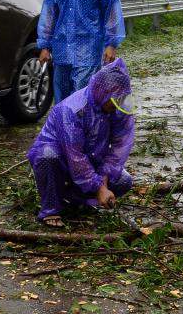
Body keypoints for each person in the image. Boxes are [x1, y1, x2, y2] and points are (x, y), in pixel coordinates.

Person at [27, 58, 136, 227]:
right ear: (103, 92)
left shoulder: (118, 108)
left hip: (92, 159)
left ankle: (73, 199)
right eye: (114, 101)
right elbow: (75, 155)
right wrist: (99, 188)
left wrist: (104, 181)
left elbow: (119, 148)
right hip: (61, 157)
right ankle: (51, 207)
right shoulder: (73, 109)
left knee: (123, 181)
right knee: (48, 157)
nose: (117, 105)